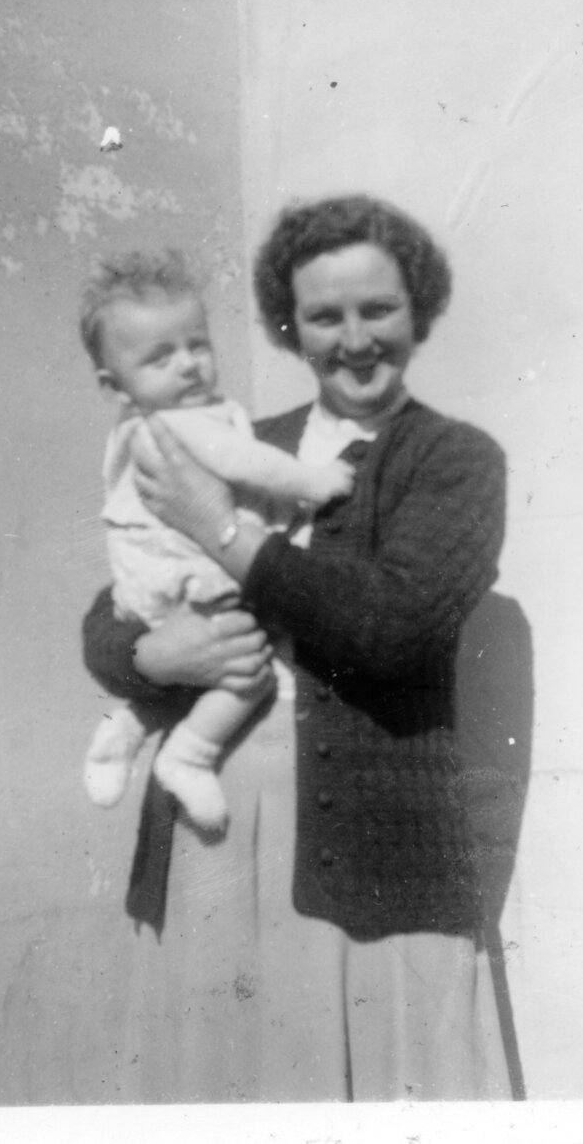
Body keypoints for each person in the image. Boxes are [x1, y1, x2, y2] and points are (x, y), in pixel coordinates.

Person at [82, 195, 512, 1103]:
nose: (354, 339)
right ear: (291, 324)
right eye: (324, 315)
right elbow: (113, 605)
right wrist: (160, 657)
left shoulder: (455, 460)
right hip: (212, 829)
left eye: (377, 309)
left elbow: (394, 625)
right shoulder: (246, 437)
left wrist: (222, 529)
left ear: (419, 311)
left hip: (371, 848)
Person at [80, 248, 354, 832]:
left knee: (207, 663)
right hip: (186, 579)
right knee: (247, 669)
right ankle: (189, 755)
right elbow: (249, 463)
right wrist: (316, 482)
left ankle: (128, 726)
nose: (188, 365)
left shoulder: (140, 427)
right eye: (161, 357)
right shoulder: (184, 424)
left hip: (153, 589)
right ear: (114, 385)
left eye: (197, 345)